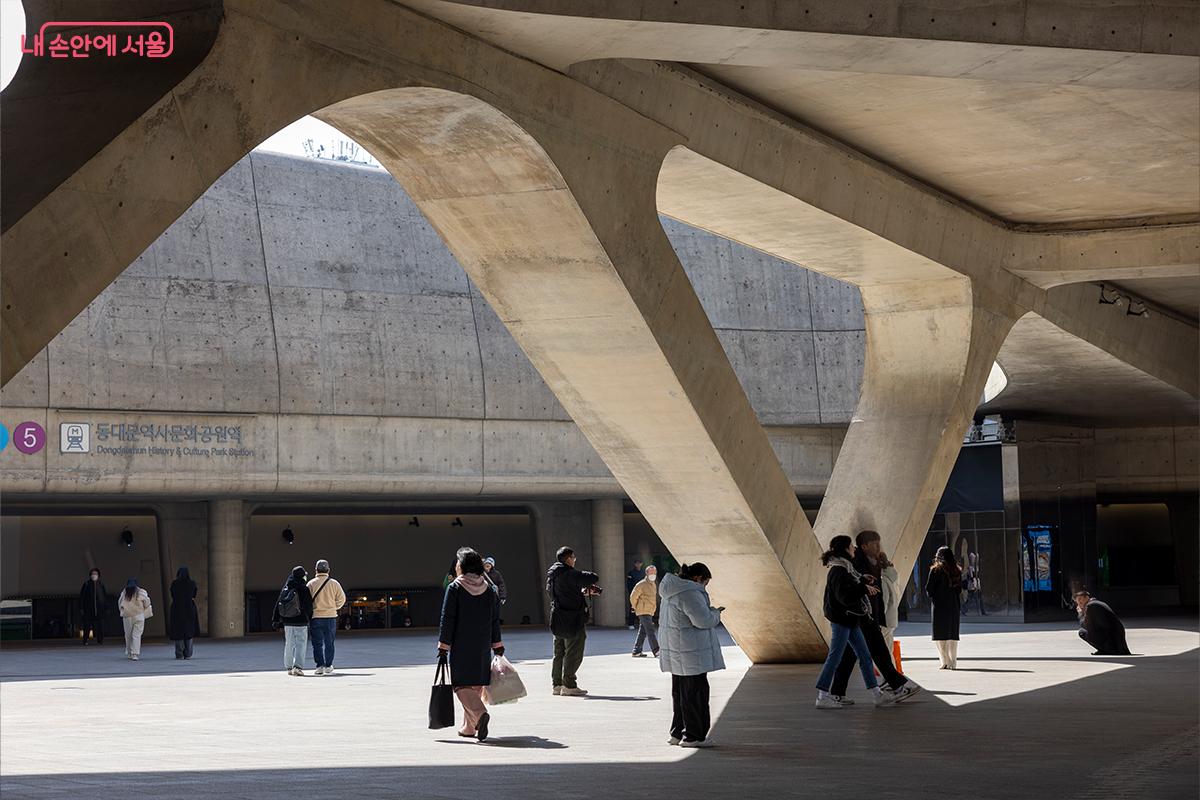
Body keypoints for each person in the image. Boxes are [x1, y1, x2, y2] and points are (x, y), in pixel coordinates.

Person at [828, 532, 921, 706]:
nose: (879, 547)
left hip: (866, 617)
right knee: (877, 651)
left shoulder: (866, 564)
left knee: (850, 657)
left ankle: (837, 693)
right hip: (860, 617)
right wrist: (863, 586)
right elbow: (845, 595)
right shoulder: (848, 566)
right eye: (875, 544)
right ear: (863, 546)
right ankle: (897, 686)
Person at [438, 547, 505, 741]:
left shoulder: (456, 587)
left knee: (460, 685)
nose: (456, 565)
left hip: (461, 644)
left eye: (458, 562)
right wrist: (497, 644)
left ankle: (480, 713)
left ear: (463, 565)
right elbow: (495, 619)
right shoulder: (489, 588)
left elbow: (448, 618)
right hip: (483, 643)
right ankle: (469, 727)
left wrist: (443, 645)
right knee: (476, 685)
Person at [658, 563, 724, 748]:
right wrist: (715, 613)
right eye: (706, 582)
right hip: (691, 653)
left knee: (680, 694)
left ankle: (677, 733)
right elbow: (702, 621)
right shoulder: (690, 592)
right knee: (696, 695)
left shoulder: (671, 590)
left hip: (677, 651)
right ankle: (694, 736)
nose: (705, 586)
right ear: (697, 578)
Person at [814, 536, 881, 709]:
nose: (854, 548)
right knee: (835, 657)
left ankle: (877, 694)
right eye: (851, 546)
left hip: (850, 619)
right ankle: (822, 696)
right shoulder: (839, 570)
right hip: (842, 619)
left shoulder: (846, 568)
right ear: (845, 548)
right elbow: (844, 596)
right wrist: (863, 588)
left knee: (864, 656)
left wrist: (862, 580)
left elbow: (850, 585)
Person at [546, 546, 599, 696]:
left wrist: (579, 591)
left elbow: (563, 592)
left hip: (557, 617)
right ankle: (569, 684)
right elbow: (593, 577)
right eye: (574, 558)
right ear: (568, 559)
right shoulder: (569, 573)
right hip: (572, 619)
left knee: (559, 652)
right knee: (574, 651)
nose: (575, 560)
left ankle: (557, 685)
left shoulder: (552, 575)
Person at [271, 565, 314, 676]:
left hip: (288, 622)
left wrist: (275, 620)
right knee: (301, 644)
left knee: (289, 644)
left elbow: (278, 604)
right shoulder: (304, 589)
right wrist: (309, 617)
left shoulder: (286, 588)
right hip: (301, 621)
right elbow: (309, 606)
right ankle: (297, 667)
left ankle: (289, 667)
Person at [307, 559, 347, 676]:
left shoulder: (311, 584)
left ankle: (319, 666)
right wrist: (334, 607)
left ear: (316, 570)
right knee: (329, 642)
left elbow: (306, 601)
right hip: (330, 617)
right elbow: (342, 599)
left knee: (317, 643)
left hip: (316, 617)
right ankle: (328, 665)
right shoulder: (334, 583)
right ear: (328, 570)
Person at [926, 546, 963, 669]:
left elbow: (929, 590)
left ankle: (945, 661)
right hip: (953, 607)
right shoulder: (957, 571)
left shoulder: (935, 570)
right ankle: (953, 662)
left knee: (940, 636)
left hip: (940, 607)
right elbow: (959, 590)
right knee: (952, 635)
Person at [1074, 591, 1131, 655]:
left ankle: (1108, 650)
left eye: (1080, 599)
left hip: (1112, 638)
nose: (1079, 603)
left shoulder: (1091, 606)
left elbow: (1085, 625)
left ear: (1087, 597)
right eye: (1077, 601)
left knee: (1082, 632)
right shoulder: (1095, 603)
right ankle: (1107, 649)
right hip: (1114, 637)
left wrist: (1081, 613)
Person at [117, 579, 153, 661]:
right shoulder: (141, 592)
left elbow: (119, 603)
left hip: (127, 616)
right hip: (139, 615)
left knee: (128, 635)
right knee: (136, 635)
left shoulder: (124, 592)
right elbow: (147, 602)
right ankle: (135, 654)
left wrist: (122, 611)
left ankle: (129, 652)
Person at [168, 566, 200, 660]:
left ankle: (179, 653)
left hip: (177, 608)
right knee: (188, 631)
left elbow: (173, 595)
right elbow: (194, 595)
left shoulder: (175, 584)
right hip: (189, 608)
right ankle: (188, 653)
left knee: (178, 632)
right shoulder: (192, 584)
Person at [630, 564, 660, 657]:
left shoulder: (653, 584)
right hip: (643, 611)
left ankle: (636, 650)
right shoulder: (641, 584)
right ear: (646, 573)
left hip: (649, 611)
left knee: (643, 631)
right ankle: (656, 650)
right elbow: (633, 597)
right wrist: (635, 607)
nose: (653, 574)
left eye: (654, 572)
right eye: (651, 572)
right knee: (650, 631)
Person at [78, 568, 108, 645]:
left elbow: (104, 597)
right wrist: (81, 608)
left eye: (96, 574)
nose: (94, 575)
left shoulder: (101, 584)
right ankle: (85, 640)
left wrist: (105, 607)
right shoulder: (86, 584)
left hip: (100, 610)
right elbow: (82, 597)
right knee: (87, 626)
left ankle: (100, 640)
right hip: (88, 610)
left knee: (100, 626)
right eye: (92, 574)